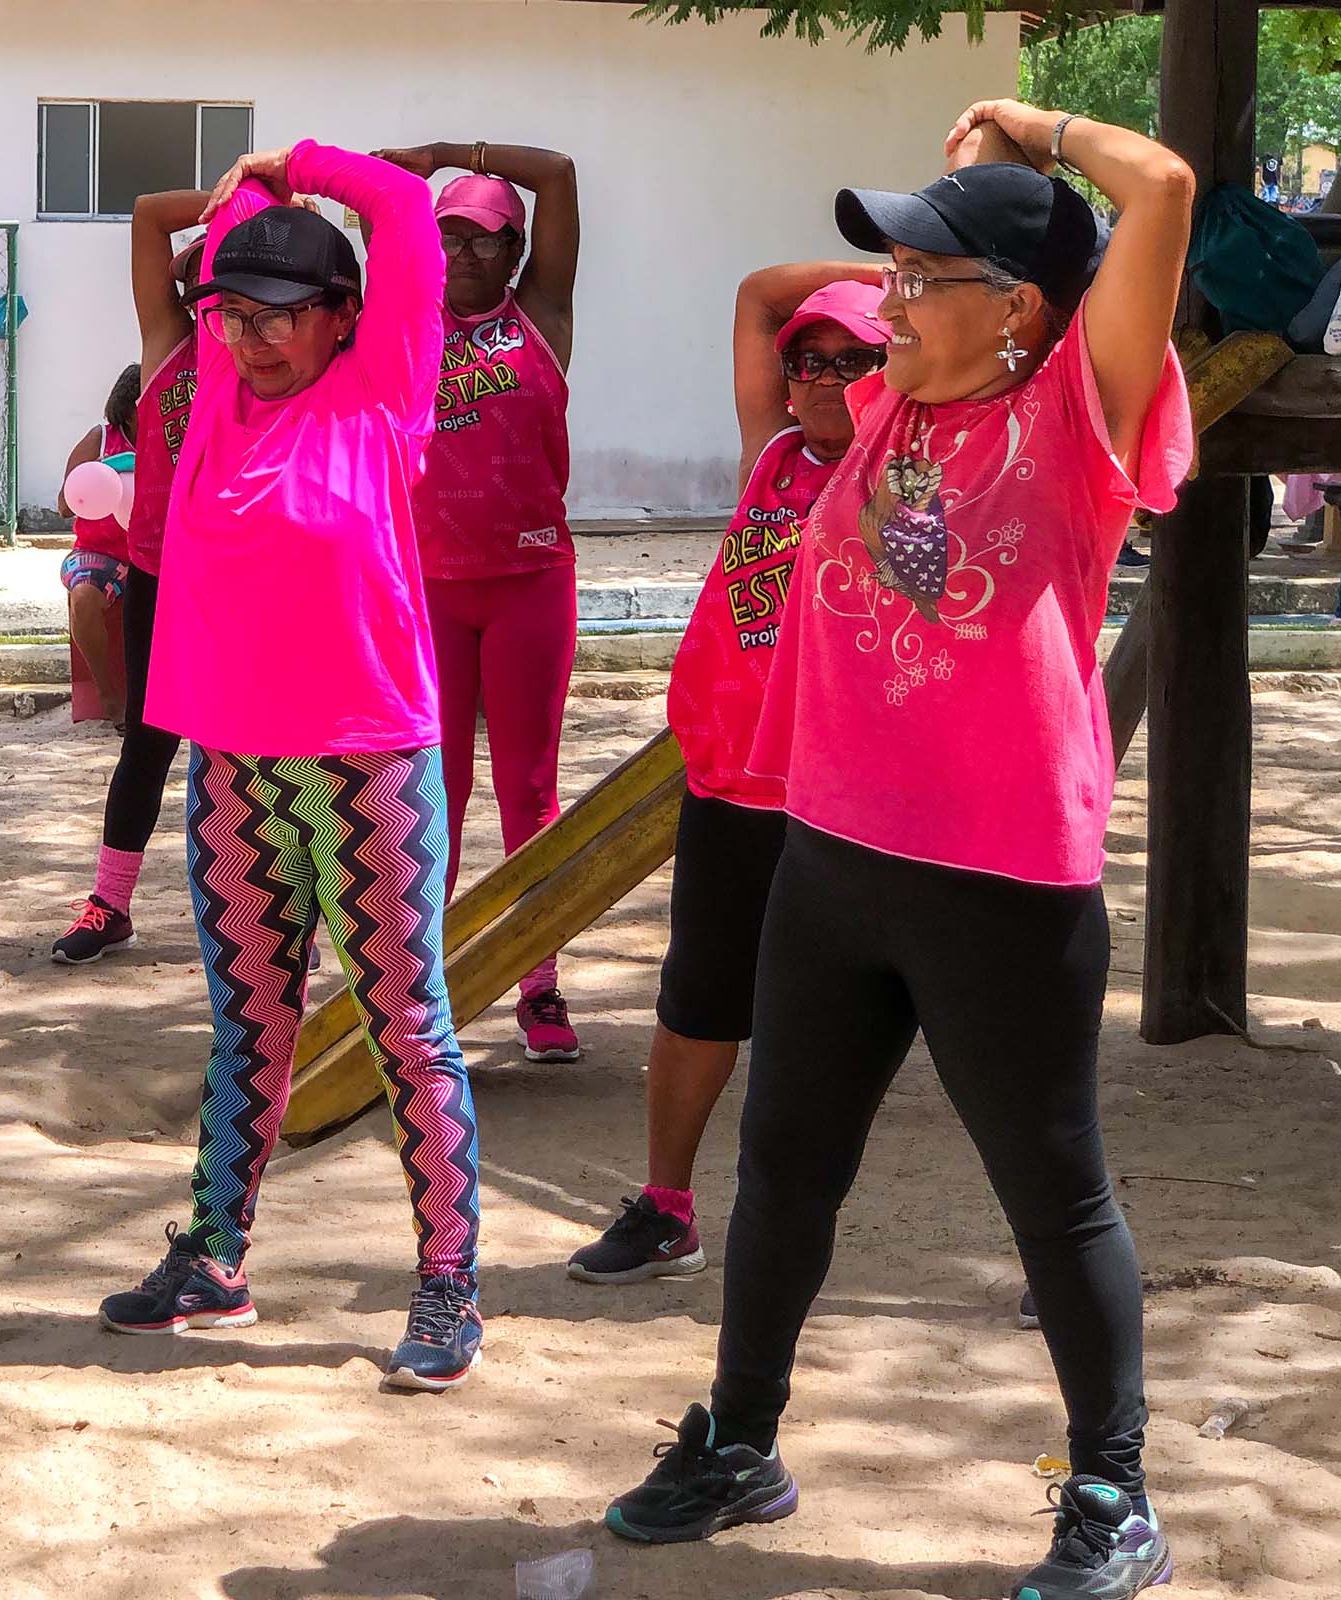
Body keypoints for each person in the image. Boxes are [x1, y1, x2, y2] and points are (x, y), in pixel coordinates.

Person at [603, 102, 1194, 1600]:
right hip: (835, 854)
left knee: (1052, 1194)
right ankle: (741, 1440)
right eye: (896, 276)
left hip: (999, 878)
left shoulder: (1075, 421)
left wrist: (1040, 133)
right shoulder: (884, 409)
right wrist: (990, 206)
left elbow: (1165, 189)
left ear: (1020, 315)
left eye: (928, 278)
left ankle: (1113, 1494)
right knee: (786, 1166)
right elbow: (842, 294)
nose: (889, 304)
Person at [96, 143, 483, 1395]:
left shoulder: (383, 394)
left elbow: (407, 211)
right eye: (234, 314)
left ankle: (447, 1280)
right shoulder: (217, 390)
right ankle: (215, 1258)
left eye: (282, 316)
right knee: (244, 1023)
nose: (252, 336)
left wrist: (293, 163)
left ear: (343, 322)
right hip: (235, 767)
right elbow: (226, 254)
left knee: (403, 1027)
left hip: (368, 765)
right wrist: (248, 208)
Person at [565, 270, 887, 1286]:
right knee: (697, 1000)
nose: (829, 380)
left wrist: (915, 293)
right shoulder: (774, 453)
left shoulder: (911, 469)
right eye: (813, 362)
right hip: (729, 786)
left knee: (867, 1022)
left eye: (857, 359)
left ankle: (1046, 1239)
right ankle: (666, 1208)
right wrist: (895, 274)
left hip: (840, 801)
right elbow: (754, 293)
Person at [374, 140, 582, 1064]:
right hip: (431, 593)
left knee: (529, 789)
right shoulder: (406, 319)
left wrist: (449, 155)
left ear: (516, 250)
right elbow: (377, 227)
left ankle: (538, 984)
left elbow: (561, 174)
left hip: (530, 581)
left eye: (485, 238)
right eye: (448, 234)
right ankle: (432, 986)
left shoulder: (540, 314)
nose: (463, 253)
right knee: (434, 794)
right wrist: (396, 185)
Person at [50, 194, 205, 965]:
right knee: (144, 745)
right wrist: (248, 186)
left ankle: (287, 920)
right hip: (155, 571)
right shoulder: (168, 348)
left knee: (255, 756)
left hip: (242, 582)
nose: (214, 297)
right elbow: (145, 214)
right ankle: (109, 903)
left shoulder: (283, 361)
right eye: (199, 281)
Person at [56, 364, 140, 724]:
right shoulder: (100, 440)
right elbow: (63, 504)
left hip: (156, 552)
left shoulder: (173, 439)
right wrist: (104, 478)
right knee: (85, 598)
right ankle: (110, 697)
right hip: (99, 551)